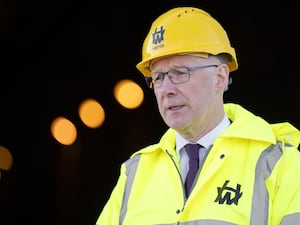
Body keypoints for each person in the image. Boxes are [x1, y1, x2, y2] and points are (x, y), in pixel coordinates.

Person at [96, 6, 300, 225]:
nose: (166, 89)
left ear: (220, 77)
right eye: (158, 77)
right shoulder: (133, 174)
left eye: (179, 73)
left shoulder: (280, 164)